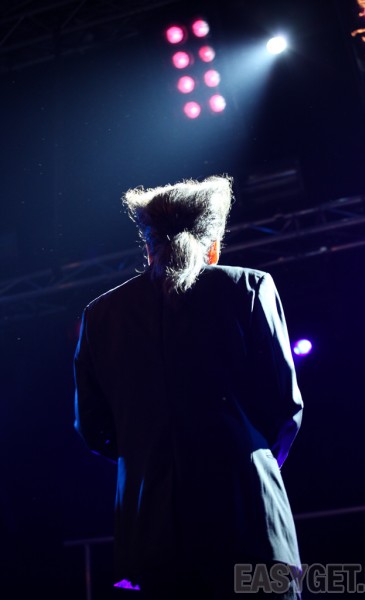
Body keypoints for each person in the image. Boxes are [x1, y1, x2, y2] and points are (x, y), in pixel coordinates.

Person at [74, 175, 303, 599]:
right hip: (248, 525)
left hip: (150, 538)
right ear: (213, 245)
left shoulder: (100, 315)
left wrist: (150, 461)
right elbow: (284, 408)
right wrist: (242, 461)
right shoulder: (250, 288)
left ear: (147, 247)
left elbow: (93, 429)